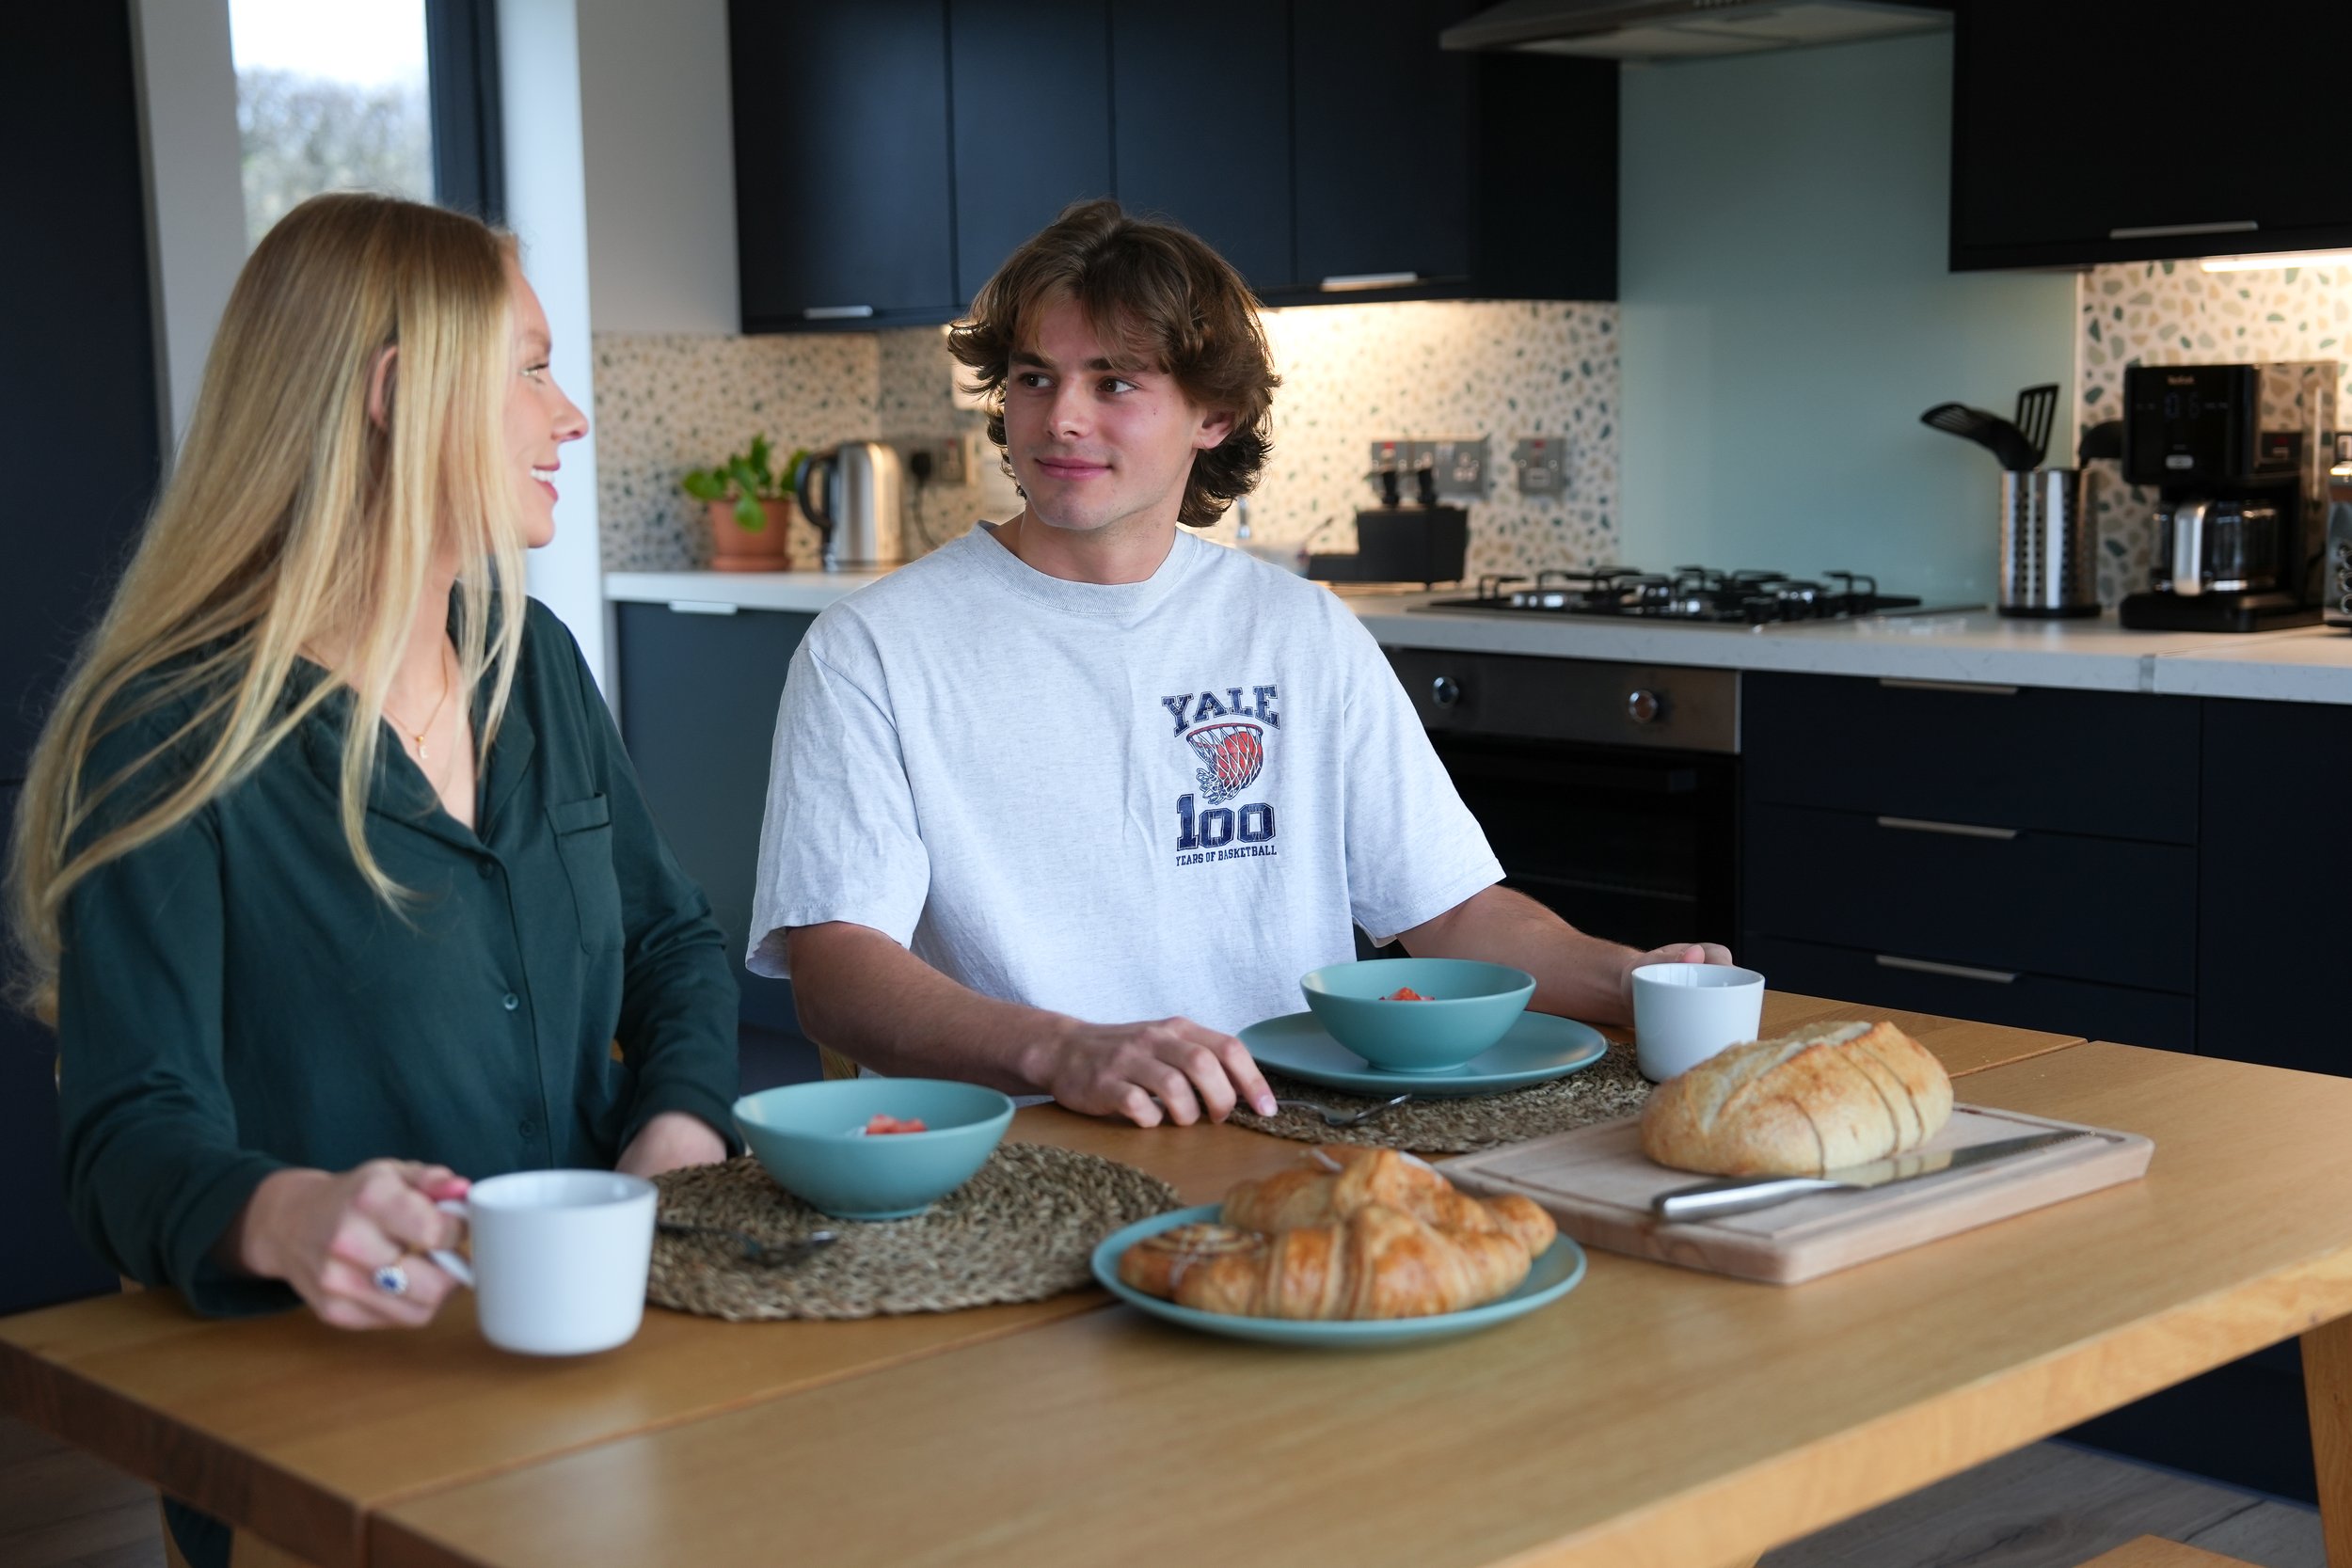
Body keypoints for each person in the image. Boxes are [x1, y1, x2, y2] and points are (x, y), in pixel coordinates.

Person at [750, 198, 1732, 1129]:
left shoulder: (1299, 630)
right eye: (1034, 376)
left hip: (1285, 1130)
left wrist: (1633, 980)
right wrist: (1064, 1051)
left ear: (1213, 415)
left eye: (1114, 382)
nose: (1060, 420)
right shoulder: (872, 649)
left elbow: (1450, 912)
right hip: (1010, 1153)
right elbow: (837, 967)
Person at [8, 195, 737, 1325]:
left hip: (613, 1321)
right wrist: (285, 1213)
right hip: (340, 1378)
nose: (572, 414)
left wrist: (677, 1123)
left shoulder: (533, 661)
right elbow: (127, 1141)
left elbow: (672, 942)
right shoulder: (167, 729)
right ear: (396, 394)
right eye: (532, 371)